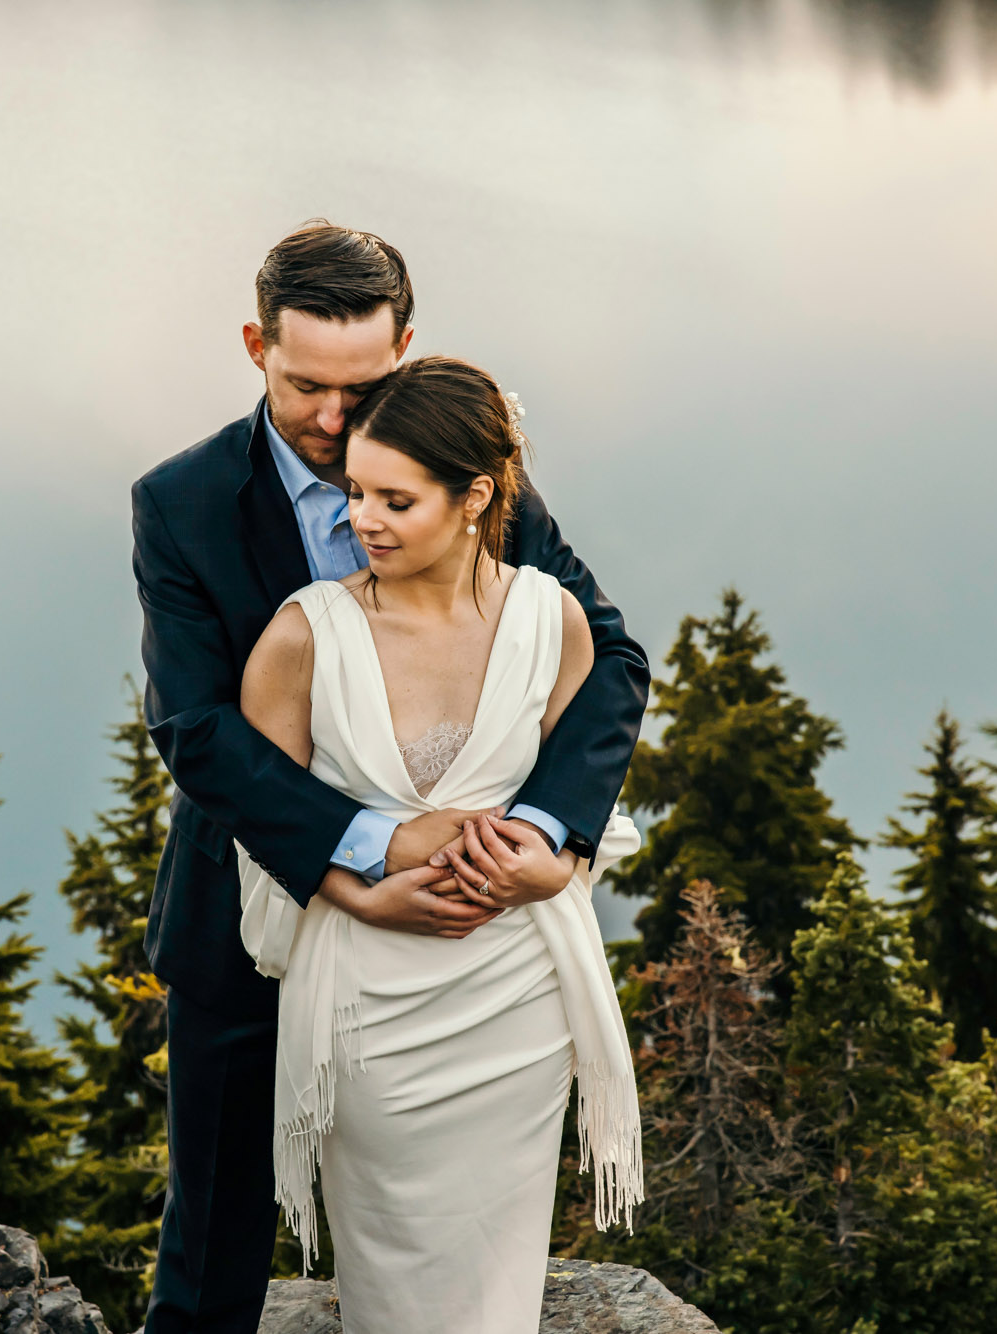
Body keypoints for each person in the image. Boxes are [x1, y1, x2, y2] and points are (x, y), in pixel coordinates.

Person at [130, 221, 648, 1334]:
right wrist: (368, 854)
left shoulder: (468, 481)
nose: (329, 418)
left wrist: (548, 837)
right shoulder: (178, 503)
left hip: (469, 949)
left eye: (357, 387)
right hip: (246, 913)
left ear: (405, 348)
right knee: (211, 1236)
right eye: (301, 382)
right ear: (252, 346)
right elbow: (196, 728)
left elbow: (607, 660)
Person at [237, 355, 645, 1332]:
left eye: (393, 498)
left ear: (473, 498)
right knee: (393, 1268)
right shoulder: (303, 635)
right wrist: (361, 891)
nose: (359, 519)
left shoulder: (553, 622)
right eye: (352, 494)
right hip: (370, 1012)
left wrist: (546, 864)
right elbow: (257, 823)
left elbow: (579, 804)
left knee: (496, 1279)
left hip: (517, 1002)